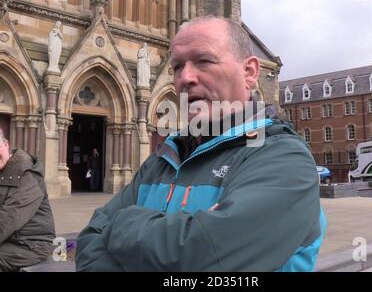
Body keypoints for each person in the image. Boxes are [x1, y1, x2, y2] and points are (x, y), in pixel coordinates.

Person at [76, 16, 326, 272]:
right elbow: (88, 242)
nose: (185, 78)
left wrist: (121, 223)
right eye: (176, 66)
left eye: (204, 61)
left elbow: (204, 257)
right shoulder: (162, 158)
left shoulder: (283, 157)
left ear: (249, 72)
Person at [0, 128, 55, 272]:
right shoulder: (3, 170)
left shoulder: (26, 173)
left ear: (6, 144)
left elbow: (9, 219)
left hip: (31, 244)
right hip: (10, 240)